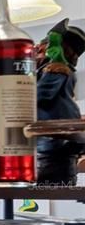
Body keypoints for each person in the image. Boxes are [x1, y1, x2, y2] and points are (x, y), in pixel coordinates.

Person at [35, 18, 85, 184]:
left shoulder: (57, 69)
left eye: (41, 50)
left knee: (53, 186)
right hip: (52, 143)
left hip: (55, 141)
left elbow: (41, 96)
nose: (36, 51)